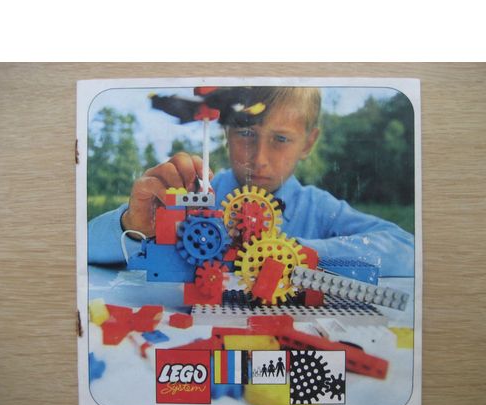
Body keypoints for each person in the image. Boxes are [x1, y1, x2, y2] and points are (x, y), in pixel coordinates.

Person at [88, 87, 414, 277]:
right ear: (225, 133)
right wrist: (133, 225)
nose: (259, 158)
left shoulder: (319, 208)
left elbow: (406, 249)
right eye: (246, 133)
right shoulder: (196, 196)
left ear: (308, 143)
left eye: (281, 139)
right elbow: (86, 246)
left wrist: (291, 252)